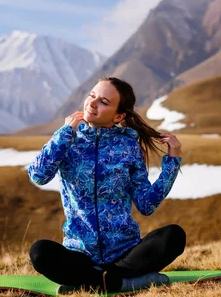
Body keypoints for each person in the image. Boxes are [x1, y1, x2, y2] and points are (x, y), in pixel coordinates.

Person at [28, 77, 185, 293]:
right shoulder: (67, 140)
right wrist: (64, 134)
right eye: (92, 96)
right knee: (40, 252)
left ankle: (91, 282)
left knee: (173, 236)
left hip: (125, 253)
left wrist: (172, 164)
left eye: (104, 102)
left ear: (119, 115)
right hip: (79, 254)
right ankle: (121, 283)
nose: (92, 103)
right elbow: (38, 175)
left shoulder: (128, 147)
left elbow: (146, 204)